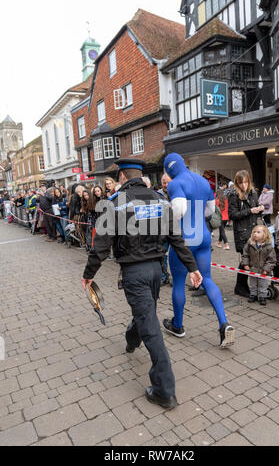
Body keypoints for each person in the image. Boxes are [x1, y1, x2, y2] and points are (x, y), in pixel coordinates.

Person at [81, 158, 202, 410]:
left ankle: (164, 389)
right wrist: (193, 267)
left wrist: (88, 274)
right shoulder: (161, 200)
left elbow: (100, 246)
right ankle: (131, 339)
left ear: (122, 177)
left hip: (135, 274)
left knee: (151, 326)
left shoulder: (114, 204)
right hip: (156, 272)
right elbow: (176, 239)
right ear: (140, 175)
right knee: (145, 314)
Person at [163, 153, 235, 349]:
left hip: (185, 239)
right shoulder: (203, 182)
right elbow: (210, 211)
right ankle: (223, 324)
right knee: (207, 279)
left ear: (169, 170)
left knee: (178, 282)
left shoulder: (175, 183)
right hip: (202, 235)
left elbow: (178, 211)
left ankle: (178, 325)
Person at [228, 170, 264, 297]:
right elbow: (232, 215)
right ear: (237, 183)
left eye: (245, 182)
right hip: (242, 232)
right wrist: (250, 211)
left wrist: (260, 209)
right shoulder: (233, 194)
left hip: (253, 231)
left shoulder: (253, 192)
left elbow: (256, 208)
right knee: (246, 259)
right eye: (241, 183)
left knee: (248, 259)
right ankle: (240, 286)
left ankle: (242, 286)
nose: (243, 185)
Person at [241, 225, 276, 306]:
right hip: (252, 269)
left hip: (263, 270)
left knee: (263, 284)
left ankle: (262, 296)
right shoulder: (250, 244)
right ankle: (253, 295)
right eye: (254, 232)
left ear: (265, 234)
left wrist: (266, 269)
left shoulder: (269, 247)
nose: (255, 234)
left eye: (258, 232)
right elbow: (245, 254)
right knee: (252, 283)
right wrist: (245, 264)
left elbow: (271, 260)